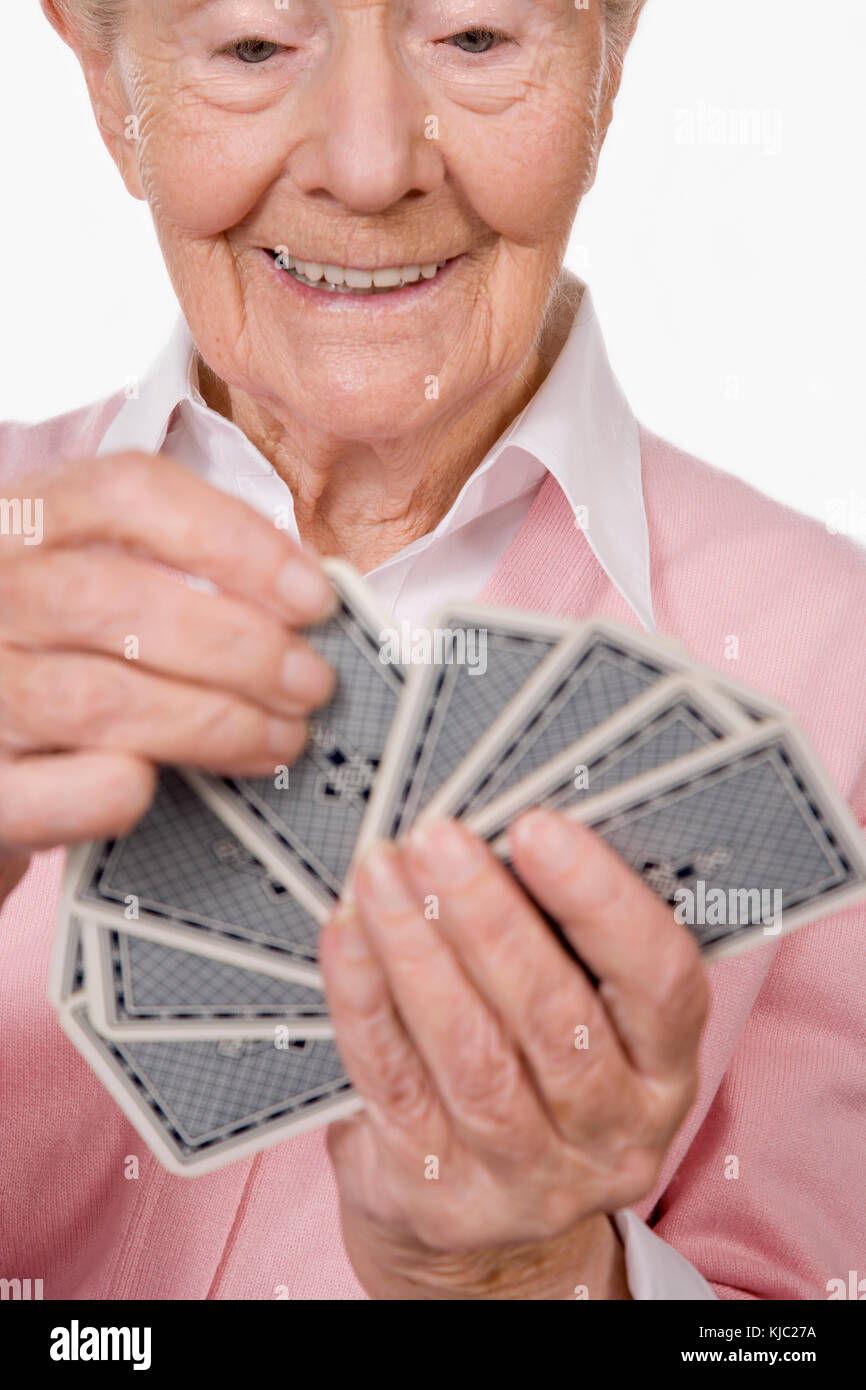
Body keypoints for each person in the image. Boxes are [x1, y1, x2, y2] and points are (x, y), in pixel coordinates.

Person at [0, 0, 863, 1300]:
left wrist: (529, 1277)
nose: (367, 163)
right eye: (250, 45)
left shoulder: (832, 659)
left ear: (608, 57)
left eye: (473, 37)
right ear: (106, 84)